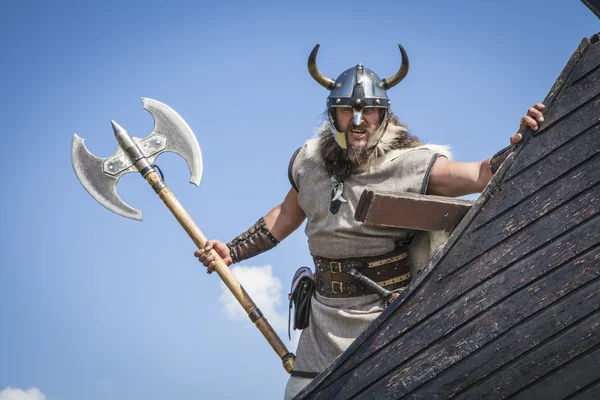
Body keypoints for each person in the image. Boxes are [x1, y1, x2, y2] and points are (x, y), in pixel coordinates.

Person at [194, 44, 545, 399]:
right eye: (347, 110)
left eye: (369, 112)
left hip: (387, 314)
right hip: (323, 317)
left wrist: (517, 141)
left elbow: (478, 175)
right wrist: (232, 251)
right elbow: (285, 215)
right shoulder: (310, 163)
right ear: (333, 115)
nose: (358, 121)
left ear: (384, 115)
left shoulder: (411, 163)